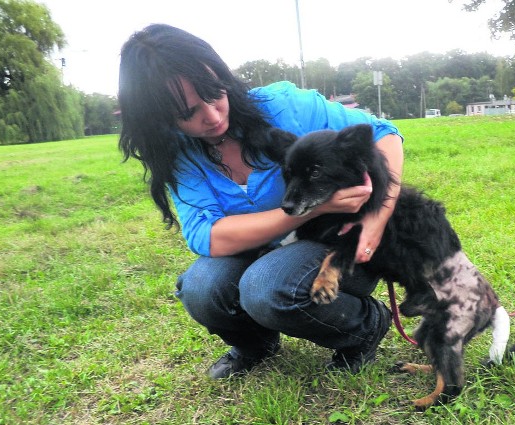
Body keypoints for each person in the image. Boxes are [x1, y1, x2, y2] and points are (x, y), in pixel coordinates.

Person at [118, 24, 404, 379]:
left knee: (266, 287)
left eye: (213, 94)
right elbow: (208, 236)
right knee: (201, 288)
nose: (212, 116)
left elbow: (385, 135)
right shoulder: (179, 154)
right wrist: (313, 208)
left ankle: (365, 327)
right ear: (156, 118)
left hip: (337, 246)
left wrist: (377, 218)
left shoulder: (285, 107)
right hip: (271, 246)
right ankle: (255, 344)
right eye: (186, 113)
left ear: (222, 76)